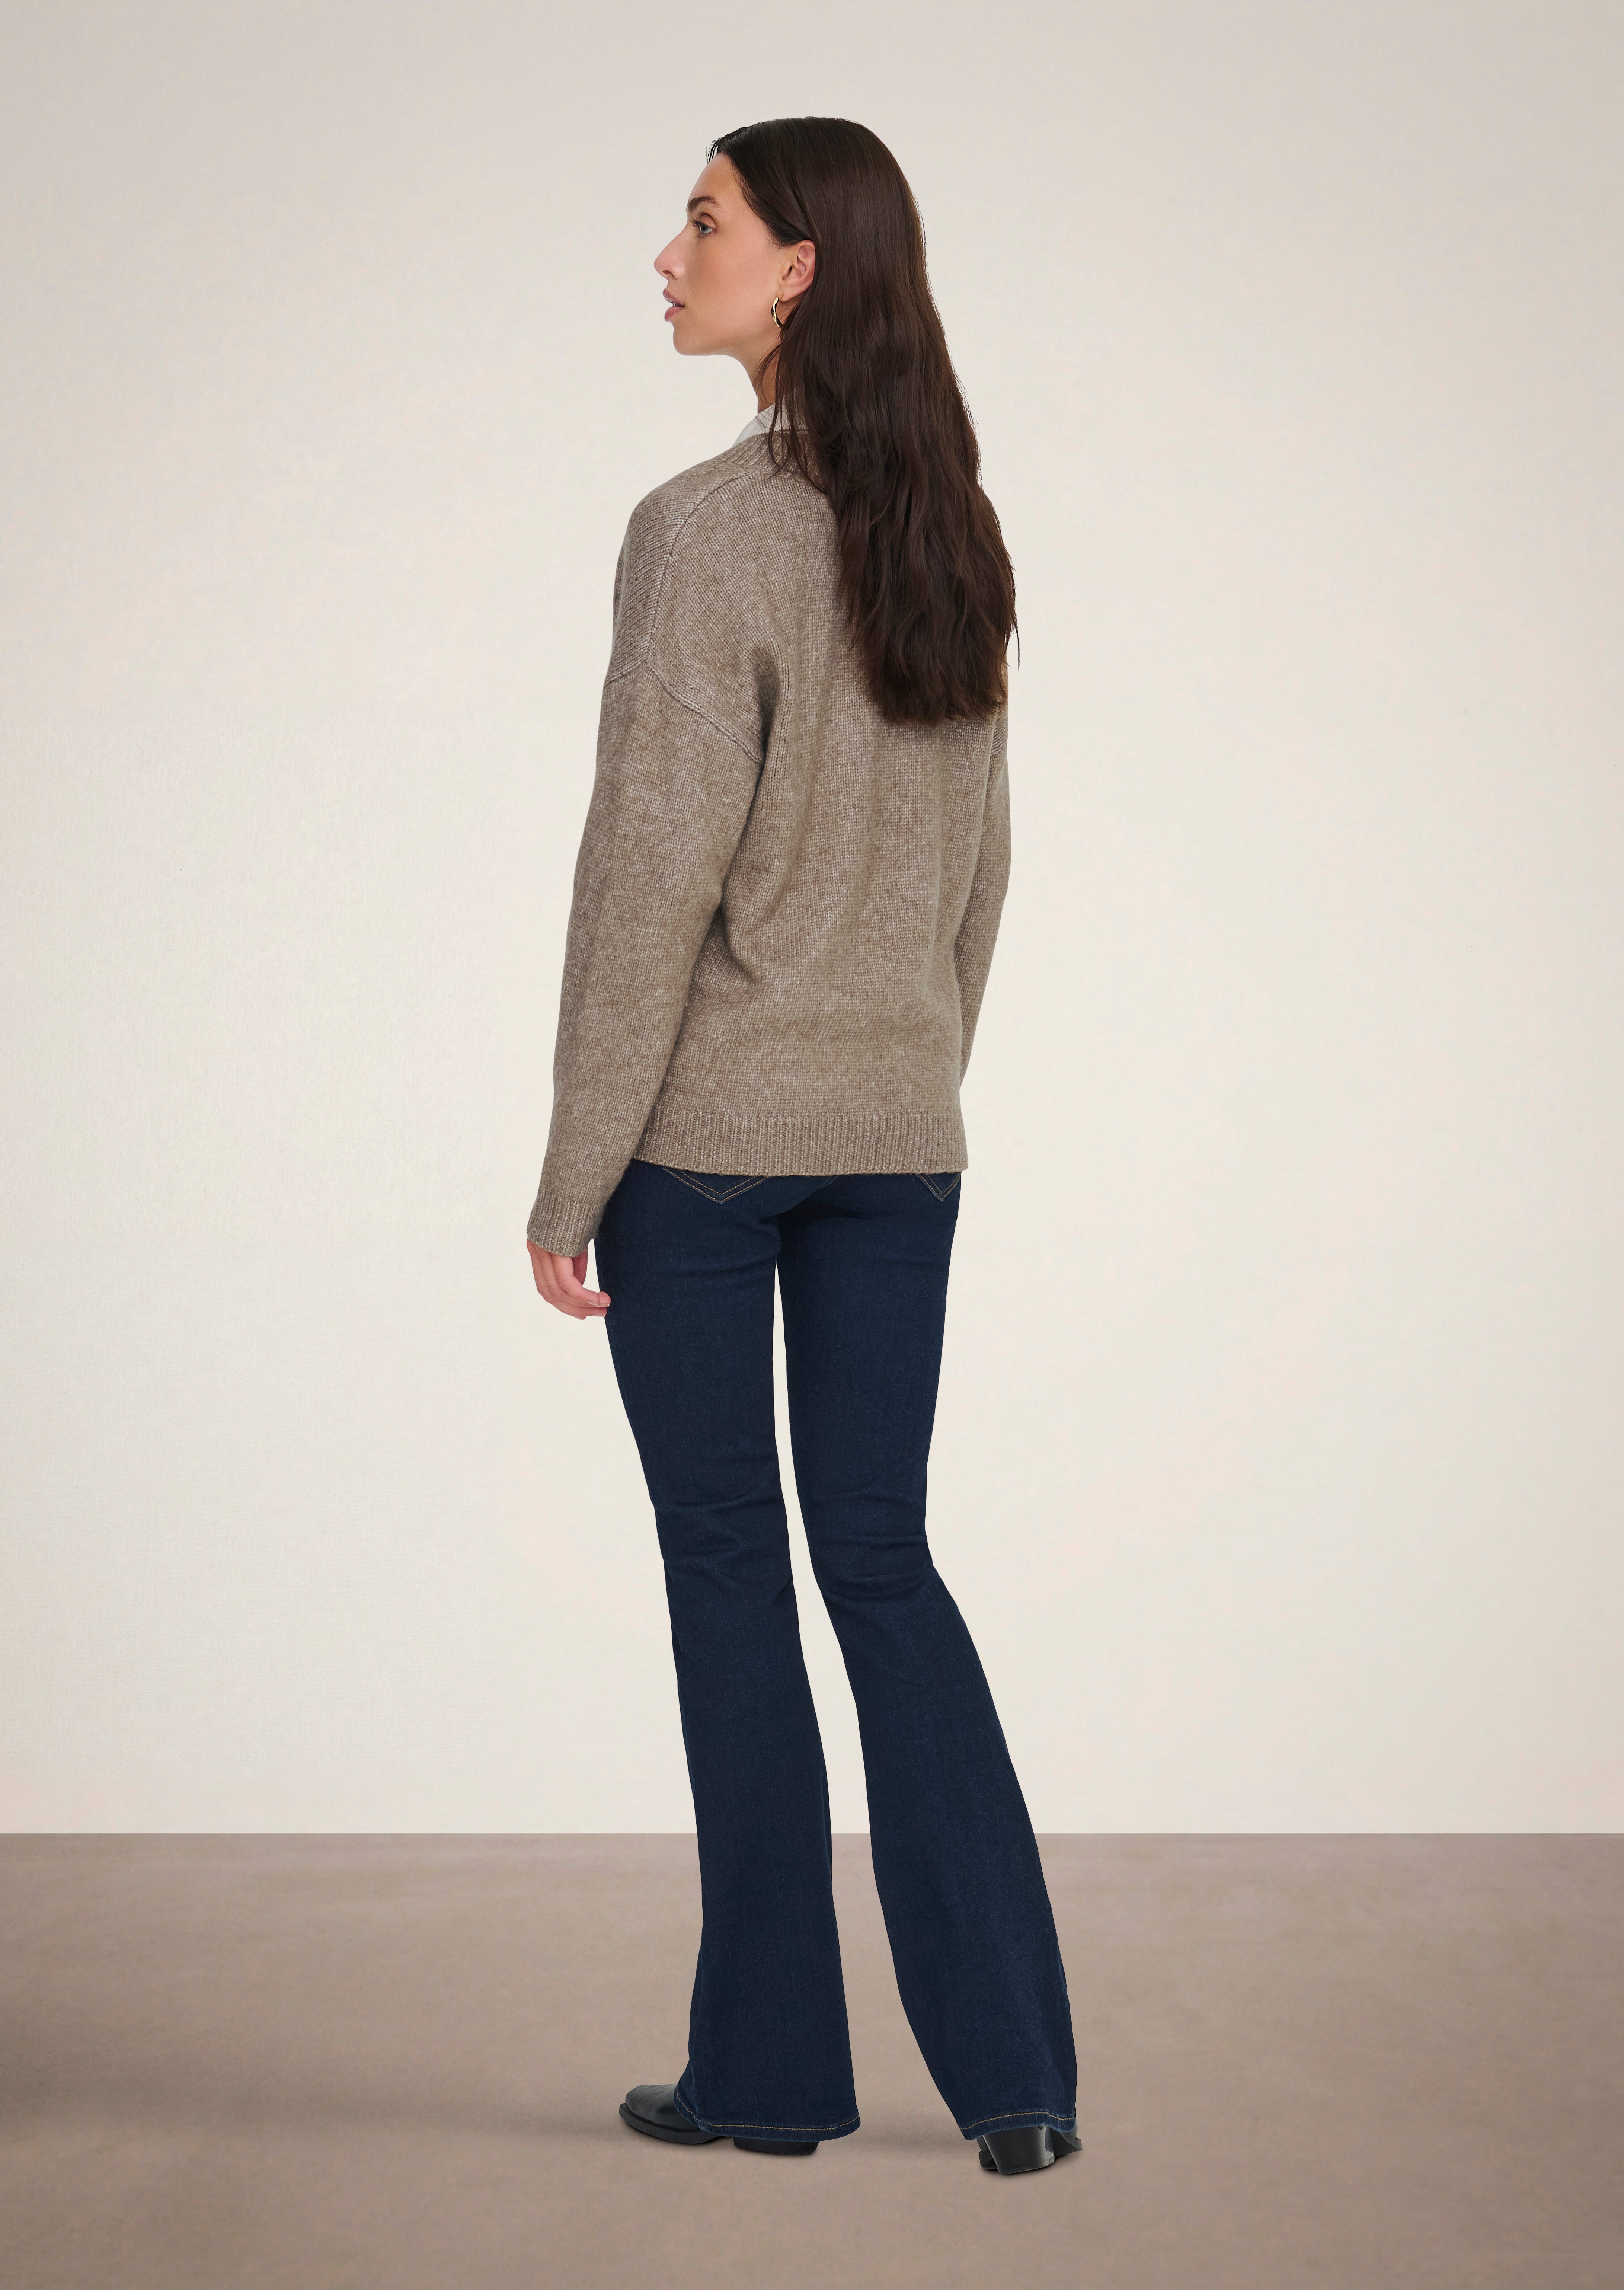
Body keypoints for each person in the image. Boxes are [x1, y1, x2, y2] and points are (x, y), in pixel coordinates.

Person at [525, 116, 1078, 2178]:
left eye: (704, 221)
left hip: (707, 1152)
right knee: (884, 1563)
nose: (668, 254)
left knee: (732, 1575)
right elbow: (982, 870)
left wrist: (572, 1173)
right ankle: (1017, 2082)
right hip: (900, 1140)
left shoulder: (700, 532)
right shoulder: (953, 528)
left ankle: (767, 2074)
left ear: (801, 269)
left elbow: (645, 876)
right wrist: (907, 1075)